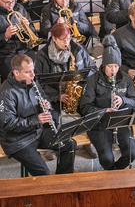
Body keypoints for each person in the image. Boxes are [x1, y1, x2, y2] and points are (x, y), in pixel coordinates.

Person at [0, 54, 76, 176]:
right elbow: (8, 123)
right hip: (18, 141)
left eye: (33, 71)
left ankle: (62, 182)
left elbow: (44, 97)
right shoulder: (5, 93)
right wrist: (37, 120)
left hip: (37, 132)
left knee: (69, 143)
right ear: (16, 73)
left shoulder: (32, 82)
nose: (33, 75)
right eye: (28, 72)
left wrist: (46, 105)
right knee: (43, 173)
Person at [35, 22, 98, 158]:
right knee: (52, 117)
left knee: (90, 109)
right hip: (54, 95)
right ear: (54, 39)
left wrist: (81, 78)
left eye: (68, 38)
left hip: (76, 91)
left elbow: (93, 69)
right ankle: (53, 146)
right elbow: (39, 83)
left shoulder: (78, 50)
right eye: (63, 39)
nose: (67, 42)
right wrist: (58, 96)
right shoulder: (42, 55)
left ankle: (90, 141)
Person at [79, 35, 135, 170]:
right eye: (110, 66)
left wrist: (123, 100)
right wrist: (104, 110)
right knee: (106, 158)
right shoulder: (92, 81)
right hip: (99, 123)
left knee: (131, 154)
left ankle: (114, 173)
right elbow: (84, 108)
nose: (113, 70)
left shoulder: (125, 78)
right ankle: (112, 174)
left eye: (116, 66)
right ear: (103, 65)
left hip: (121, 121)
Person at [0, 0, 37, 81]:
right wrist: (5, 36)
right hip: (6, 54)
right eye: (7, 2)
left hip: (24, 49)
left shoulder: (20, 8)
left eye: (13, 1)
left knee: (38, 68)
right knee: (16, 77)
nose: (11, 5)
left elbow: (34, 33)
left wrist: (27, 28)